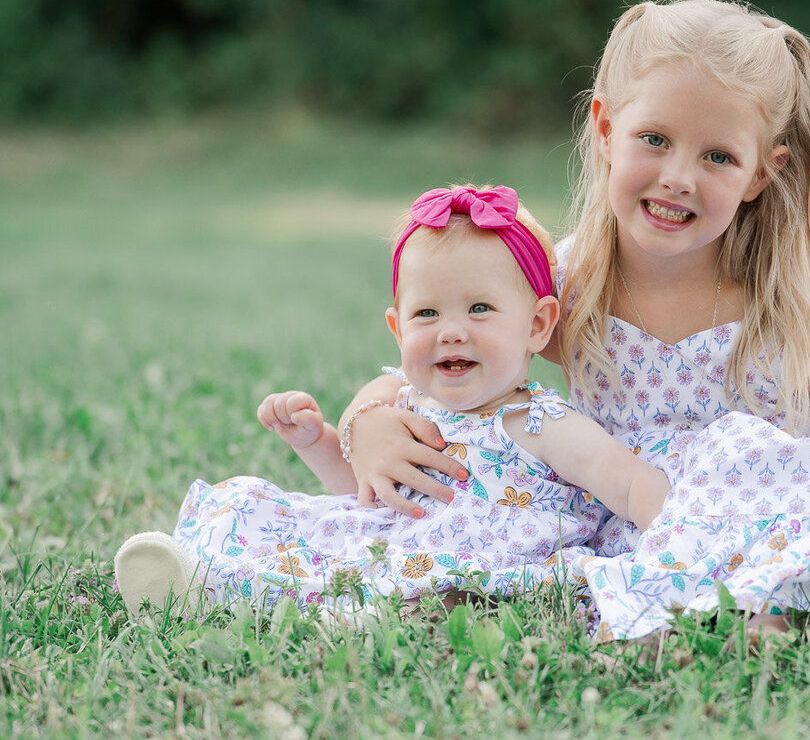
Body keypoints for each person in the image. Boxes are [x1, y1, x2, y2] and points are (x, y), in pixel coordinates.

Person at [339, 0, 810, 639]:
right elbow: (444, 359)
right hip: (633, 526)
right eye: (655, 140)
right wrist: (366, 422)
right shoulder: (566, 287)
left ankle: (761, 613)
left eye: (718, 157)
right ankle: (684, 617)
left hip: (759, 520)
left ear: (761, 173)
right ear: (607, 130)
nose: (678, 178)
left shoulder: (796, 312)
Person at [114, 184, 670, 616]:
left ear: (537, 325)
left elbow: (627, 482)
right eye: (427, 313)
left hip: (468, 572)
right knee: (269, 520)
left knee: (426, 595)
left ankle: (280, 604)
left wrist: (682, 539)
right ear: (397, 329)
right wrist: (315, 442)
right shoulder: (406, 408)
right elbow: (363, 491)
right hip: (383, 544)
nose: (451, 331)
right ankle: (195, 579)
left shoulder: (540, 423)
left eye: (480, 309)